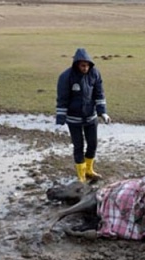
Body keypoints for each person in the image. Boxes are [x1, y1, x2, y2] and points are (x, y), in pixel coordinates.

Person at [56, 48, 111, 183]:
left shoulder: (95, 74)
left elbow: (99, 94)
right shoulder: (66, 77)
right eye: (82, 65)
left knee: (92, 144)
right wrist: (60, 119)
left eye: (87, 65)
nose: (85, 68)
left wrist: (102, 112)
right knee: (78, 146)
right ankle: (81, 176)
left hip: (90, 117)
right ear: (77, 64)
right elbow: (62, 98)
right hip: (73, 119)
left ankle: (89, 170)